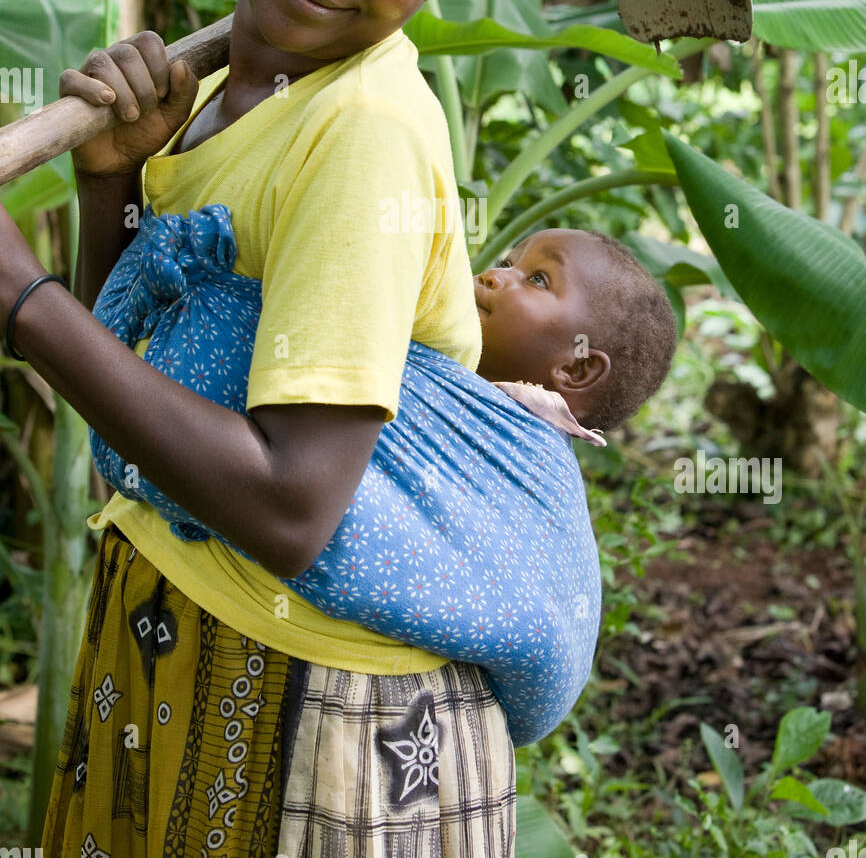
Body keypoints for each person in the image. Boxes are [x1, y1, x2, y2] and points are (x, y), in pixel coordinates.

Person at [0, 0, 516, 858]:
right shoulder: (238, 96)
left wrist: (20, 298)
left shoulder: (362, 133)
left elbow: (290, 508)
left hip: (305, 706)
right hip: (171, 629)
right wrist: (112, 185)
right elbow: (140, 367)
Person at [85, 210, 677, 749]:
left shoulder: (521, 448)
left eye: (539, 280)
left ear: (575, 366)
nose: (497, 276)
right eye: (509, 262)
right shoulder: (427, 364)